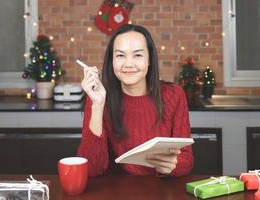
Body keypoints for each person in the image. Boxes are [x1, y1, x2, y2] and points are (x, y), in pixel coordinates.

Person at [77, 24, 193, 177]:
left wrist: (173, 165)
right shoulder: (98, 96)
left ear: (150, 59)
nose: (129, 64)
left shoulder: (174, 94)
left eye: (137, 55)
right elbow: (91, 169)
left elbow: (186, 159)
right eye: (120, 55)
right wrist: (98, 105)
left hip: (161, 190)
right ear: (112, 60)